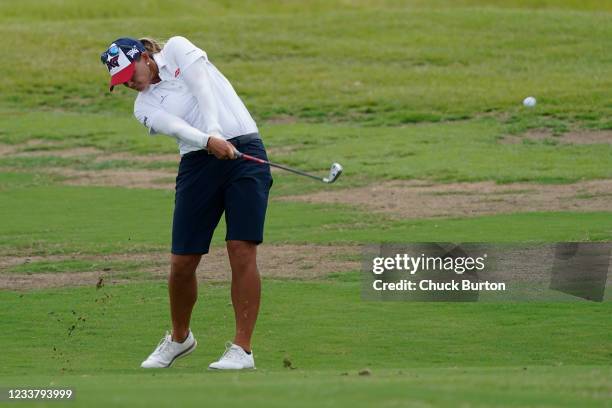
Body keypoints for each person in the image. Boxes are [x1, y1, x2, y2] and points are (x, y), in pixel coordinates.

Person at [100, 36, 273, 370]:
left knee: (241, 248)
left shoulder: (178, 49)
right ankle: (180, 339)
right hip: (197, 163)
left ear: (143, 57)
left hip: (245, 151)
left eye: (130, 74)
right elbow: (175, 126)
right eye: (121, 82)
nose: (130, 84)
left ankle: (242, 349)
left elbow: (202, 87)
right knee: (182, 262)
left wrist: (215, 130)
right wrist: (208, 140)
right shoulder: (144, 106)